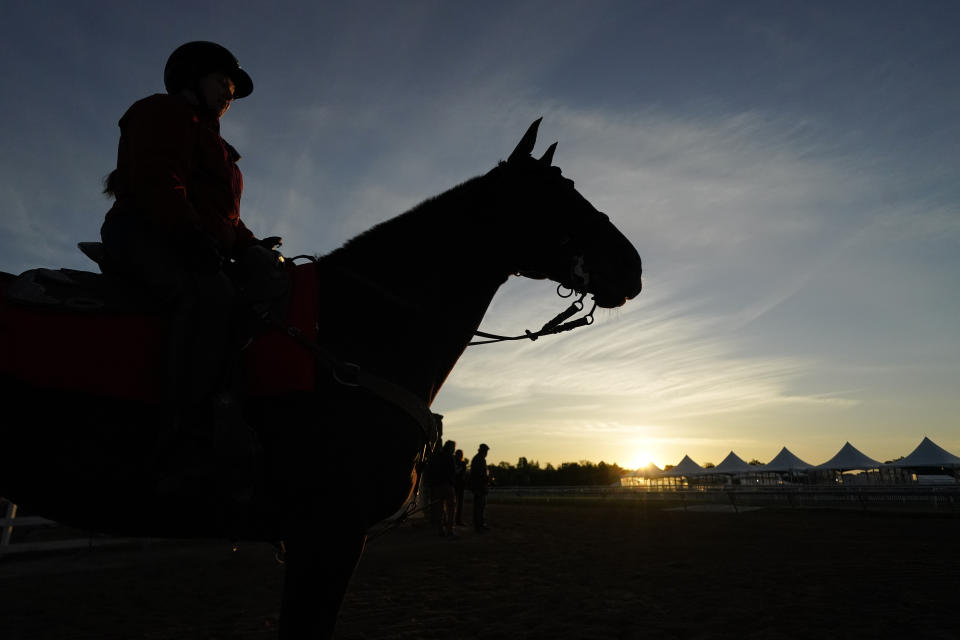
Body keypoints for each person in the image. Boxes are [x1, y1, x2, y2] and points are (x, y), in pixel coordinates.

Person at [98, 41, 281, 520]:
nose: (229, 91)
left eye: (233, 87)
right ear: (192, 76)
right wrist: (193, 236)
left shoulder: (222, 151)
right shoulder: (162, 112)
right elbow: (157, 179)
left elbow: (224, 219)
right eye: (223, 79)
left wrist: (254, 246)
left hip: (194, 237)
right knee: (209, 296)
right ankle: (180, 444)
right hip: (146, 228)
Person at [427, 440, 457, 537]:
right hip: (447, 485)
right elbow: (453, 471)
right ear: (451, 448)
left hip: (436, 486)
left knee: (439, 509)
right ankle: (449, 530)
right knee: (451, 508)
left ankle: (440, 530)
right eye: (453, 448)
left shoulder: (436, 457)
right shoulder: (450, 457)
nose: (454, 450)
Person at [469, 443, 491, 531]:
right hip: (479, 486)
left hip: (479, 486)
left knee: (480, 507)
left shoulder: (478, 459)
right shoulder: (480, 459)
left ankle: (480, 524)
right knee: (479, 507)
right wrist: (487, 479)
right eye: (486, 451)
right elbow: (480, 474)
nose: (486, 453)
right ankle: (479, 525)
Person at [453, 448, 468, 526]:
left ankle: (457, 520)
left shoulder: (461, 463)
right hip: (457, 485)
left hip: (458, 485)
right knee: (456, 504)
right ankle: (456, 520)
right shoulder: (461, 464)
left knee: (459, 504)